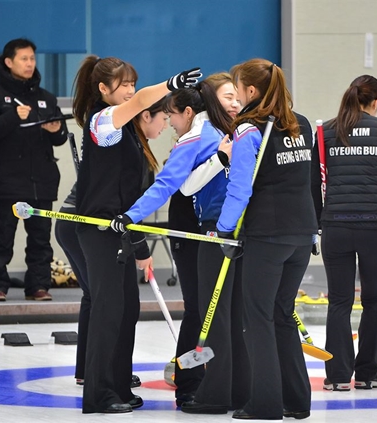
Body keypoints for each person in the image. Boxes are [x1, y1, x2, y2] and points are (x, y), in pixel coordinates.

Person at [72, 54, 201, 414]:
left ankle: (118, 385)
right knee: (108, 311)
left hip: (120, 231)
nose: (130, 91)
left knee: (127, 310)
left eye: (132, 83)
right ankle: (99, 394)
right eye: (124, 84)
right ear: (103, 89)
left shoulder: (126, 126)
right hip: (98, 231)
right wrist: (172, 85)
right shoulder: (103, 121)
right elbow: (144, 100)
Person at [116, 74, 247, 413]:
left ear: (188, 111)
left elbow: (172, 186)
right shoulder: (225, 132)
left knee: (210, 314)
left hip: (212, 233)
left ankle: (206, 387)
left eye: (172, 115)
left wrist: (130, 216)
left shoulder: (202, 135)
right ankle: (210, 385)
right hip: (220, 234)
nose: (171, 123)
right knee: (217, 313)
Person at [216, 58, 316, 420]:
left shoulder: (248, 128)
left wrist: (225, 230)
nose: (237, 94)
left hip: (267, 235)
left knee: (257, 317)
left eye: (238, 87)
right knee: (282, 314)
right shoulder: (300, 124)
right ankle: (297, 401)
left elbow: (240, 188)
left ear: (252, 91)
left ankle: (265, 404)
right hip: (301, 234)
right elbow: (310, 181)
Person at [310, 75, 377, 392]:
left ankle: (338, 375)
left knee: (339, 302)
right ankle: (369, 373)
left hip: (336, 226)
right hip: (374, 227)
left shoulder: (325, 132)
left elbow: (313, 184)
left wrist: (316, 224)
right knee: (373, 301)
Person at [54, 99, 167, 388]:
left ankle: (94, 370)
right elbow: (131, 207)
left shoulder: (135, 145)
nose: (165, 124)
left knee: (96, 296)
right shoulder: (127, 145)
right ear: (145, 116)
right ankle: (98, 373)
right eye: (162, 117)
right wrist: (141, 250)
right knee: (102, 298)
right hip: (81, 224)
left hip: (84, 225)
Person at [0, 38, 67, 302]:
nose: (29, 64)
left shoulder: (46, 97)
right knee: (1, 240)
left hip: (42, 181)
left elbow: (60, 135)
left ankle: (38, 286)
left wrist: (56, 129)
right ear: (8, 62)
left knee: (40, 241)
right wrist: (14, 115)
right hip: (7, 183)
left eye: (32, 59)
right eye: (24, 59)